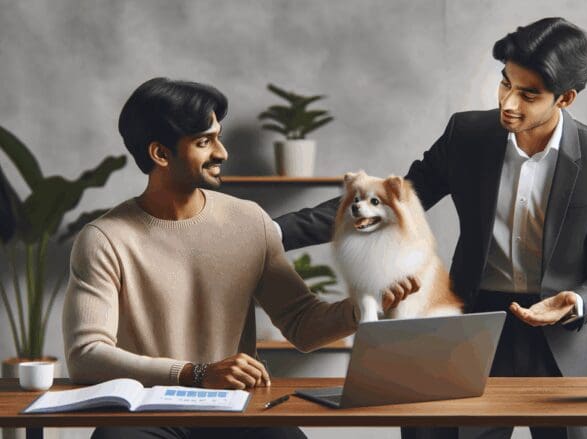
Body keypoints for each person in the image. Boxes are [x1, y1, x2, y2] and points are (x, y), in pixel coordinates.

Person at [273, 17, 587, 439]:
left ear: (566, 98)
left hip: (558, 339)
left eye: (528, 94)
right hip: (471, 324)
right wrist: (267, 231)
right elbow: (391, 204)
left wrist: (575, 300)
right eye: (505, 84)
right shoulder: (467, 136)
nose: (508, 103)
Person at [62, 77, 418, 439]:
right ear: (160, 154)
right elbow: (86, 356)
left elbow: (302, 324)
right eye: (204, 142)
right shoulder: (104, 239)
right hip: (147, 414)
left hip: (234, 409)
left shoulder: (249, 221)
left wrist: (365, 305)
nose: (222, 152)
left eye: (218, 136)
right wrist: (196, 373)